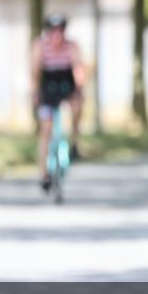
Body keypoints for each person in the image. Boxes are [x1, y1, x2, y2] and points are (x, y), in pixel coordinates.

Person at [31, 14, 86, 190]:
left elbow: (78, 68)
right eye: (53, 31)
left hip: (67, 87)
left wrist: (79, 89)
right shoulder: (40, 46)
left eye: (60, 31)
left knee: (77, 109)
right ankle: (43, 174)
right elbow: (34, 71)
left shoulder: (71, 46)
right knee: (46, 130)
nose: (57, 35)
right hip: (48, 89)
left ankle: (74, 142)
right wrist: (35, 92)